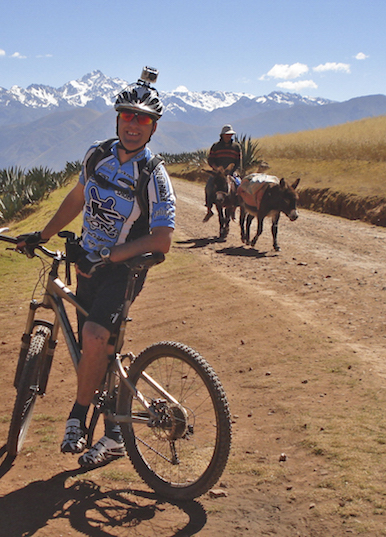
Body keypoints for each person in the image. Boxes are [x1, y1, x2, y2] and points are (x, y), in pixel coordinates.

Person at [16, 67, 175, 470]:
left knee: (94, 334)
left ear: (154, 128)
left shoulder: (154, 175)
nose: (134, 125)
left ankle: (77, 416)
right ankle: (115, 434)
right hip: (85, 261)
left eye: (143, 119)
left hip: (122, 270)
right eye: (128, 116)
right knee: (99, 349)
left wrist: (115, 256)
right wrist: (44, 232)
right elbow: (77, 196)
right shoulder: (97, 155)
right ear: (117, 119)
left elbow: (162, 240)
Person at [204, 125, 243, 220]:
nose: (229, 136)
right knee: (209, 186)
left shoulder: (236, 147)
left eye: (230, 135)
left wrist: (235, 170)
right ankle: (209, 208)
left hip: (231, 172)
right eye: (227, 135)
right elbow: (211, 159)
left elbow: (238, 161)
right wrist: (216, 168)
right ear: (222, 135)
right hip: (217, 173)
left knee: (240, 187)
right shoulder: (216, 146)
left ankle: (236, 206)